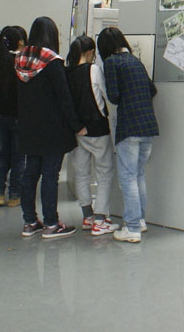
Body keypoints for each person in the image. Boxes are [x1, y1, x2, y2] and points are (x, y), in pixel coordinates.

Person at [14, 16, 86, 239]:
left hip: (28, 127)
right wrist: (76, 125)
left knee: (30, 174)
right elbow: (64, 97)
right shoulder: (53, 62)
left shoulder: (19, 60)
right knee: (49, 175)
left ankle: (29, 222)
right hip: (52, 128)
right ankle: (51, 224)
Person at [98, 26, 158, 243]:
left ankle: (132, 228)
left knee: (128, 177)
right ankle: (140, 221)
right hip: (148, 126)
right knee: (139, 174)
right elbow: (152, 90)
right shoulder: (135, 61)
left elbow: (114, 96)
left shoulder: (111, 62)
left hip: (129, 127)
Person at [65, 35, 118, 236]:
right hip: (97, 129)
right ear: (90, 52)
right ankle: (100, 219)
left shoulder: (67, 72)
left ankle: (87, 216)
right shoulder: (93, 70)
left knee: (82, 174)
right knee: (104, 173)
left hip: (77, 131)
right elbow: (107, 96)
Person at [0, 26, 27, 207]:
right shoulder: (22, 62)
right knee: (18, 157)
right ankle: (15, 195)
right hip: (19, 116)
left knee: (1, 155)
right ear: (20, 42)